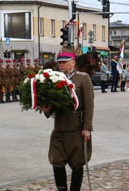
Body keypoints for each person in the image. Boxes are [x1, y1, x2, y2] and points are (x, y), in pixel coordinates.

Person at [42, 50, 94, 191]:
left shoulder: (83, 79)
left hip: (76, 128)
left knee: (77, 163)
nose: (61, 65)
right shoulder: (55, 79)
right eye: (59, 62)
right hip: (59, 128)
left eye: (64, 62)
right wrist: (47, 109)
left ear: (73, 62)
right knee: (56, 161)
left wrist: (87, 127)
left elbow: (89, 104)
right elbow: (53, 104)